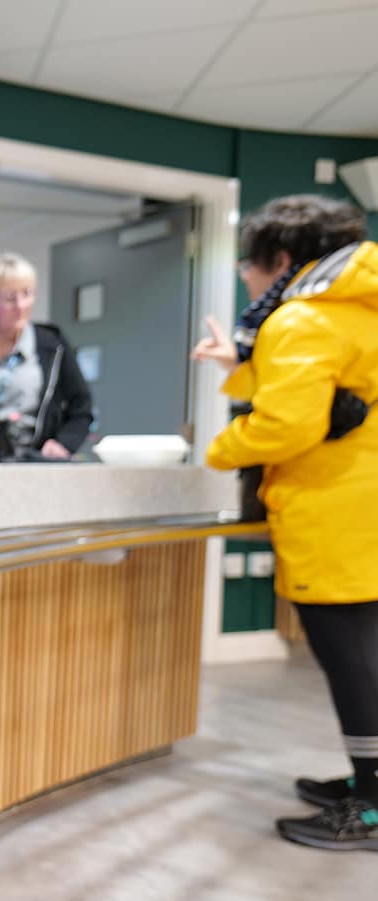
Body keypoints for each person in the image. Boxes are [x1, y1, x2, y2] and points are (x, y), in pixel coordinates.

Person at [193, 194, 378, 851]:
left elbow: (288, 423)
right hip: (365, 514)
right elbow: (321, 397)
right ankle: (367, 780)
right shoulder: (359, 310)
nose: (245, 275)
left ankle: (372, 807)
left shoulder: (301, 318)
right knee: (365, 657)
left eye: (249, 264)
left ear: (280, 260)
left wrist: (219, 450)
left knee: (351, 662)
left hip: (333, 517)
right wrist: (239, 367)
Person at [0, 253, 94, 461]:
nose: (21, 305)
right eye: (10, 298)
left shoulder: (52, 344)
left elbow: (81, 406)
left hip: (30, 463)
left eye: (27, 293)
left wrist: (64, 443)